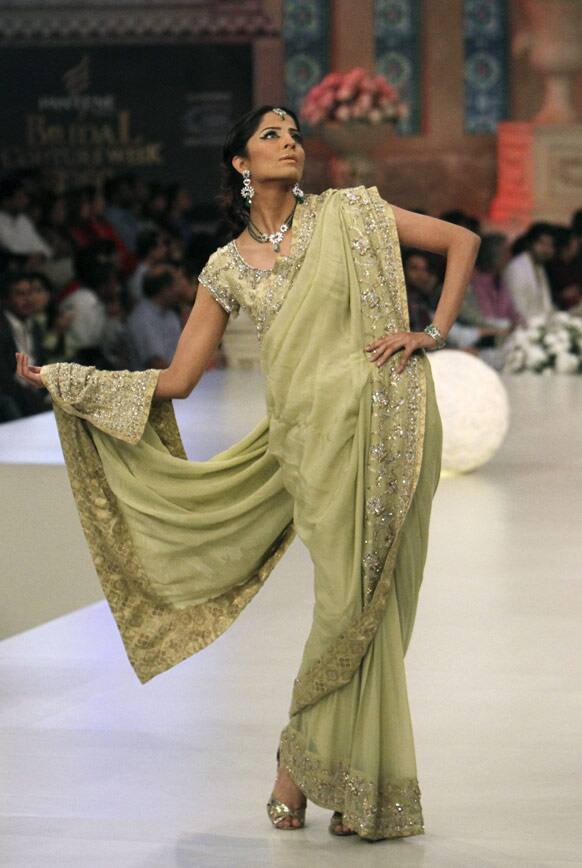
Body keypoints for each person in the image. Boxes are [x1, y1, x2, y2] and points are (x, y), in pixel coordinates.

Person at [15, 105, 480, 842]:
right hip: (307, 447)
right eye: (271, 135)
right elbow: (178, 380)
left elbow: (461, 240)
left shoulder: (352, 213)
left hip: (391, 429)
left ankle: (313, 779)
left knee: (376, 610)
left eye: (294, 133)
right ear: (240, 164)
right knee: (342, 609)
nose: (289, 142)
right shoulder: (225, 267)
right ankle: (316, 770)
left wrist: (431, 332)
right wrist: (65, 380)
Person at [124, 265, 183, 370]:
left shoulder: (171, 314)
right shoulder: (141, 319)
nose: (180, 289)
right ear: (165, 290)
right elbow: (156, 365)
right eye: (176, 285)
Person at [502, 223, 555, 323]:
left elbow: (546, 306)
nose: (546, 250)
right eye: (542, 244)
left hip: (539, 326)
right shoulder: (516, 268)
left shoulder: (539, 268)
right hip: (520, 328)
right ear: (530, 243)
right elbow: (517, 308)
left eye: (550, 245)